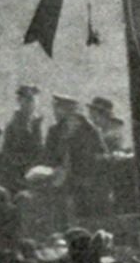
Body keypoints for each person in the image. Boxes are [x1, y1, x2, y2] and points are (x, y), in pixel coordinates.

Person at [44, 94, 109, 223]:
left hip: (85, 183)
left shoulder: (90, 130)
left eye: (59, 109)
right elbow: (48, 157)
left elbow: (103, 155)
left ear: (71, 112)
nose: (55, 113)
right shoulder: (54, 131)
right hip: (61, 184)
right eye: (55, 109)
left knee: (85, 217)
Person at [0, 85, 45, 191]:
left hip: (38, 172)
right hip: (18, 174)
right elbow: (8, 152)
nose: (31, 104)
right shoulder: (13, 125)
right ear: (19, 101)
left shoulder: (38, 122)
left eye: (33, 100)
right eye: (28, 100)